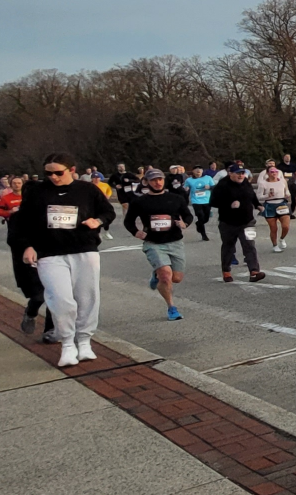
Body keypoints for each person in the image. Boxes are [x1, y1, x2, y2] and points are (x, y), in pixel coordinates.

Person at [17, 154, 116, 367]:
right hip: (49, 252)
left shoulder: (87, 190)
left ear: (71, 169)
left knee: (87, 296)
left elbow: (108, 212)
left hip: (84, 249)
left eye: (58, 172)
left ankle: (85, 341)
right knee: (60, 298)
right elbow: (23, 222)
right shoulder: (37, 192)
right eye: (48, 173)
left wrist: (97, 221)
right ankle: (68, 343)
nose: (53, 177)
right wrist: (28, 245)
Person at [124, 168, 189, 321]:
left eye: (160, 179)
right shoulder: (140, 201)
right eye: (153, 180)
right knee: (166, 276)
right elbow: (128, 221)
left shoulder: (175, 198)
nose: (157, 182)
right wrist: (136, 232)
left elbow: (187, 214)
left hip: (175, 241)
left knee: (176, 278)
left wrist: (185, 223)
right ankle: (171, 307)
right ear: (146, 182)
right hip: (153, 243)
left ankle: (156, 274)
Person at [3, 194, 55, 341]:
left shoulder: (50, 213)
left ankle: (50, 330)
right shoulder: (18, 216)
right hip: (29, 262)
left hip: (51, 257)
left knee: (54, 293)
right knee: (39, 295)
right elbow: (12, 239)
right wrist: (27, 247)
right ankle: (31, 312)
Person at [209, 163, 266, 283]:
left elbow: (252, 195)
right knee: (228, 247)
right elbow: (213, 202)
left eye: (242, 173)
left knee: (249, 245)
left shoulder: (245, 182)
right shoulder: (222, 185)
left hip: (247, 221)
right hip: (228, 223)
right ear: (230, 173)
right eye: (238, 173)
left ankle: (254, 271)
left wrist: (257, 205)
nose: (241, 176)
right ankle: (226, 271)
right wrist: (229, 204)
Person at [257, 162, 294, 252]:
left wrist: (287, 195)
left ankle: (282, 238)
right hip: (269, 205)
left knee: (286, 226)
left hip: (281, 204)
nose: (274, 173)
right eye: (272, 171)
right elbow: (259, 196)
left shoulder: (282, 181)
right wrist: (267, 196)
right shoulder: (263, 183)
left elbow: (287, 191)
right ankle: (275, 245)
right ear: (268, 173)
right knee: (273, 228)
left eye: (276, 171)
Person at [184, 166, 215, 241]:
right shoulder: (189, 180)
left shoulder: (208, 178)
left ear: (202, 171)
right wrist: (186, 189)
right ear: (193, 172)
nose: (198, 171)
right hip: (196, 201)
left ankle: (198, 224)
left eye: (199, 170)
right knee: (200, 216)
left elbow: (214, 187)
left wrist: (210, 187)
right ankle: (204, 235)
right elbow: (185, 187)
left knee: (206, 218)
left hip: (207, 200)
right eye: (196, 170)